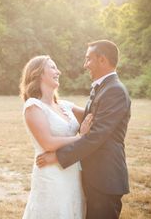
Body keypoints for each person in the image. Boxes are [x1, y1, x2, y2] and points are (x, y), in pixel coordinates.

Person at [37, 40, 131, 219]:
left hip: (105, 178)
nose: (85, 65)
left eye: (88, 59)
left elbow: (96, 136)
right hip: (95, 176)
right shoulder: (103, 88)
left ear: (102, 60)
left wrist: (57, 156)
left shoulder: (114, 91)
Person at [20, 55, 93, 219]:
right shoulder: (33, 106)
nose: (58, 71)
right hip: (51, 175)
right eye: (52, 67)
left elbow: (94, 116)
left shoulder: (65, 105)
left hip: (73, 172)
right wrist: (82, 137)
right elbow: (48, 143)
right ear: (38, 74)